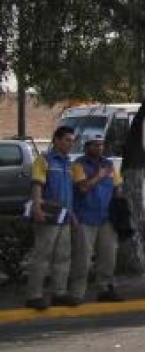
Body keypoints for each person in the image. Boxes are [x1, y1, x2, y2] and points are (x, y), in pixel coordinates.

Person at [24, 126, 77, 310]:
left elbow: (70, 191)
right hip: (48, 215)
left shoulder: (69, 163)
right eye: (67, 140)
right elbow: (37, 184)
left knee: (63, 256)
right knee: (42, 256)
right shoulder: (44, 160)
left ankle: (59, 293)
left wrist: (73, 215)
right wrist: (37, 207)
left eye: (72, 140)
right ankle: (34, 295)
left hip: (64, 217)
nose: (70, 144)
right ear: (56, 140)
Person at [69, 134, 124, 303]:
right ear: (87, 147)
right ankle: (77, 292)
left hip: (106, 217)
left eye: (101, 145)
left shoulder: (108, 164)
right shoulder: (79, 165)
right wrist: (99, 176)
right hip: (85, 216)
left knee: (108, 256)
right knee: (83, 258)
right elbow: (83, 188)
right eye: (95, 145)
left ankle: (105, 288)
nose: (99, 148)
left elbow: (117, 187)